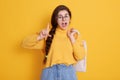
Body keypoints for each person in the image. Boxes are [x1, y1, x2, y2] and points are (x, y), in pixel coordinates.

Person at [22, 5, 86, 80]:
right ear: (56, 20)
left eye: (66, 16)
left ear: (69, 18)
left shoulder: (74, 34)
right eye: (60, 17)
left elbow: (80, 56)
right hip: (49, 73)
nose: (63, 19)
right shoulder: (48, 34)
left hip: (68, 73)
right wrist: (40, 36)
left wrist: (72, 39)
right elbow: (25, 43)